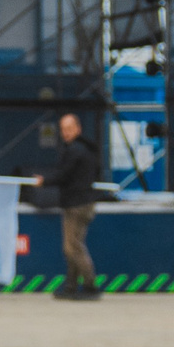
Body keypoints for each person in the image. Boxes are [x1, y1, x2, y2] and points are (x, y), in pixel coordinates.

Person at [48, 110, 103, 301]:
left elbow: (62, 175)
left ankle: (90, 285)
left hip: (77, 205)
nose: (66, 132)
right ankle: (71, 286)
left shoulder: (74, 151)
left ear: (78, 129)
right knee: (72, 246)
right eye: (63, 129)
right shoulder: (87, 149)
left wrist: (43, 181)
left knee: (73, 247)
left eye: (69, 128)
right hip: (84, 203)